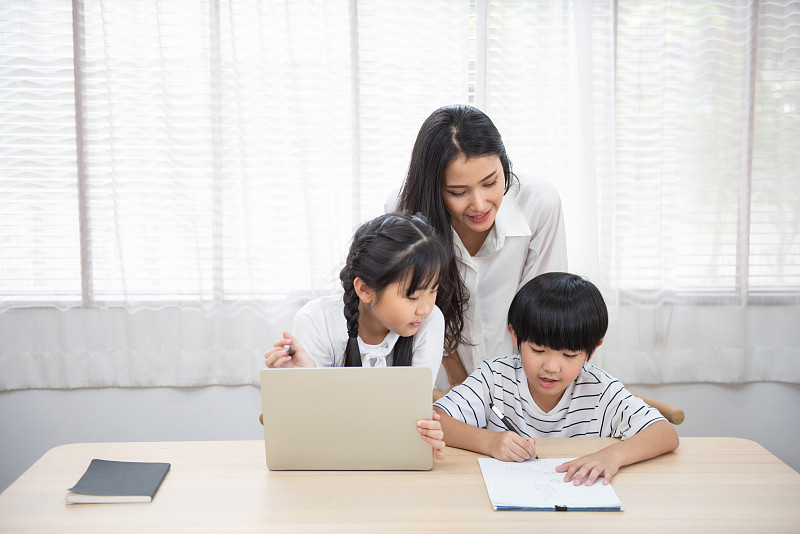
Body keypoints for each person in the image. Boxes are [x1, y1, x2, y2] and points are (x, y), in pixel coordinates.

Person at [433, 272, 679, 484]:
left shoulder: (600, 390)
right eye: (538, 350)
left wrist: (612, 456)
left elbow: (664, 433)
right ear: (515, 337)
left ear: (592, 350)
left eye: (569, 355)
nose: (551, 367)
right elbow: (435, 420)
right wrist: (490, 442)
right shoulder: (494, 377)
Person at [390, 104, 567, 391]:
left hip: (520, 381)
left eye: (490, 182)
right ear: (433, 190)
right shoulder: (405, 212)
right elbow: (417, 309)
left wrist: (520, 393)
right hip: (440, 383)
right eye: (458, 192)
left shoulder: (539, 204)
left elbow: (544, 311)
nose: (480, 204)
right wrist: (461, 384)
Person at [264, 212, 448, 459]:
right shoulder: (316, 320)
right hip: (327, 460)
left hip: (394, 460)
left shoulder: (430, 321)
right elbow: (312, 431)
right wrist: (305, 380)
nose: (424, 308)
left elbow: (410, 419)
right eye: (412, 296)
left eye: (433, 290)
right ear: (365, 290)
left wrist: (425, 433)